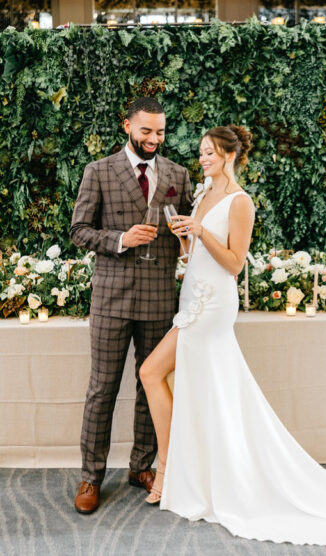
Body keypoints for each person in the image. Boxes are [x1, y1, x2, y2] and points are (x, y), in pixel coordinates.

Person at [137, 125, 326, 546]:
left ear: (229, 155)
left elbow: (233, 263)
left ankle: (171, 469)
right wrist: (186, 240)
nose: (202, 158)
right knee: (187, 384)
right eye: (201, 152)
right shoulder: (202, 194)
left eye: (209, 152)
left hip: (213, 306)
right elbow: (196, 257)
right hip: (191, 298)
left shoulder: (240, 202)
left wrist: (202, 232)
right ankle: (187, 470)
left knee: (153, 371)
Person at [70, 97, 193, 514]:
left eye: (160, 131)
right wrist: (121, 239)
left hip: (160, 298)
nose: (154, 139)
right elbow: (80, 231)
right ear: (127, 126)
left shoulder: (179, 175)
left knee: (150, 386)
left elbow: (191, 233)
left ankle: (142, 466)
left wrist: (186, 238)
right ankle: (91, 476)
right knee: (102, 388)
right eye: (146, 131)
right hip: (110, 298)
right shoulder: (98, 171)